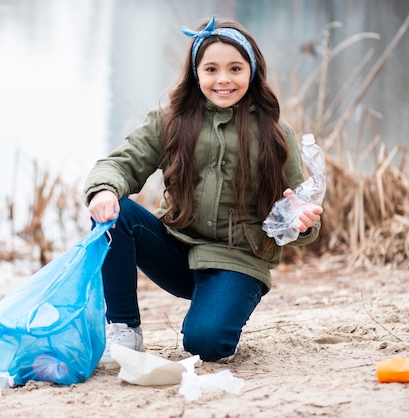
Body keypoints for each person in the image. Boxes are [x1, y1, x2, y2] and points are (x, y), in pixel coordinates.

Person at [83, 15, 323, 363]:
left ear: (252, 72)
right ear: (196, 74)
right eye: (211, 69)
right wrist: (103, 190)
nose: (223, 79)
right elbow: (119, 164)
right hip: (178, 249)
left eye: (235, 69)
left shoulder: (274, 132)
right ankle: (123, 330)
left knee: (206, 345)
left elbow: (299, 206)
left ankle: (219, 308)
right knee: (116, 215)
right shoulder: (170, 120)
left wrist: (301, 221)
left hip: (239, 261)